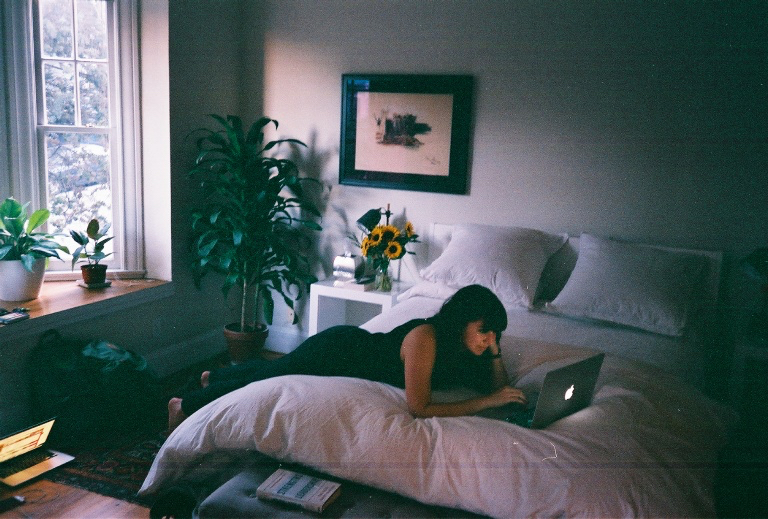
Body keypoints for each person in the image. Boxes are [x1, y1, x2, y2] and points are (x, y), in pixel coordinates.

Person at [168, 284, 527, 431]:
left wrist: (493, 351)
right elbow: (418, 407)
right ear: (462, 321)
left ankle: (211, 378)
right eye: (484, 331)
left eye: (496, 333)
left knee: (275, 368)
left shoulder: (471, 346)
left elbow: (501, 388)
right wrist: (485, 402)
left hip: (349, 351)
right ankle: (183, 405)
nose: (489, 339)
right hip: (340, 352)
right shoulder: (426, 338)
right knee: (273, 376)